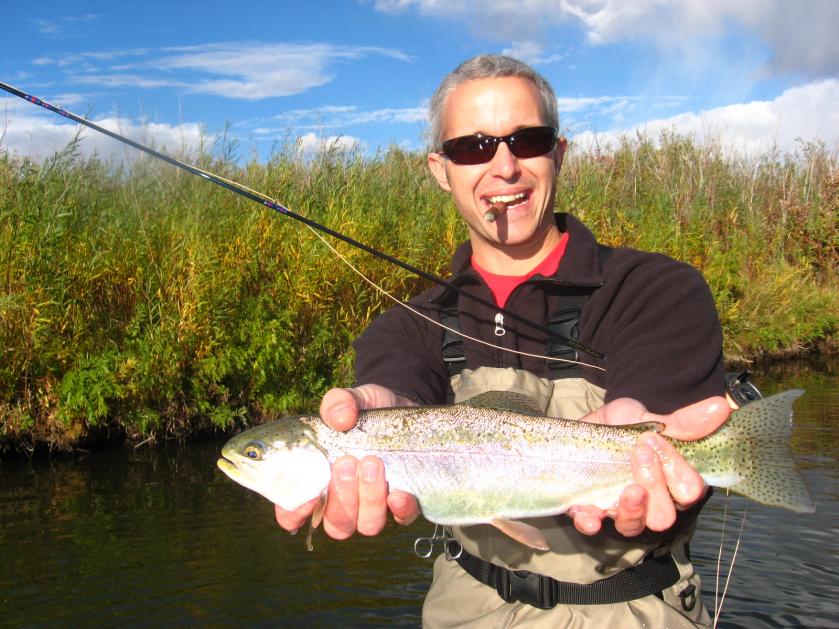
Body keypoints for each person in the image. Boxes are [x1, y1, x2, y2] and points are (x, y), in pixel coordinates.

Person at [275, 54, 730, 627]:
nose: (505, 167)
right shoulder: (407, 326)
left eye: (527, 140)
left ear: (558, 154)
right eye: (473, 147)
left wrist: (654, 452)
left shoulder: (656, 289)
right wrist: (376, 413)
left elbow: (667, 453)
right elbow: (396, 382)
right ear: (441, 170)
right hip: (465, 608)